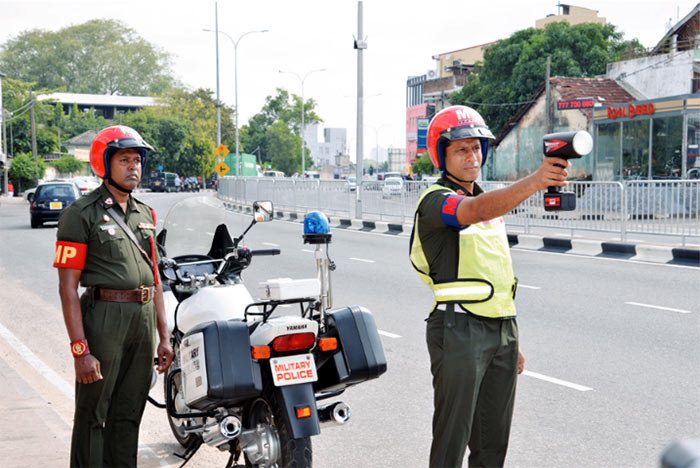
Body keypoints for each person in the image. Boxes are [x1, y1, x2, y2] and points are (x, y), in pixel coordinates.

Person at [409, 106, 570, 468]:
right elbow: (473, 210)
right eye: (461, 149)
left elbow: (493, 274)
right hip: (458, 328)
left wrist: (509, 340)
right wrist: (536, 180)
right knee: (452, 439)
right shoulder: (435, 202)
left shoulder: (488, 202)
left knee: (493, 442)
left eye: (477, 148)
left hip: (500, 331)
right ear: (442, 155)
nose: (472, 156)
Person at [54, 125, 173, 468]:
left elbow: (156, 278)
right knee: (93, 415)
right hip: (105, 319)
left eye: (137, 160)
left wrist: (164, 337)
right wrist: (81, 351)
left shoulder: (146, 214)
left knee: (129, 412)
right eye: (124, 160)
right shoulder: (80, 214)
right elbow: (67, 288)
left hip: (143, 321)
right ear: (104, 164)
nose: (134, 167)